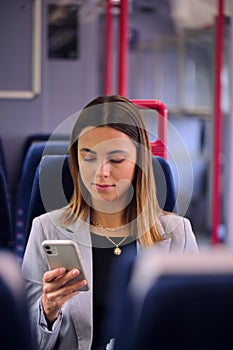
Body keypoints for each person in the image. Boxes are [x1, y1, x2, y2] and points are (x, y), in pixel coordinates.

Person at [22, 95, 198, 350]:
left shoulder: (177, 234)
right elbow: (23, 339)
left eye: (116, 160)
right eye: (89, 157)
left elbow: (191, 330)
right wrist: (47, 311)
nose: (102, 172)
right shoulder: (47, 228)